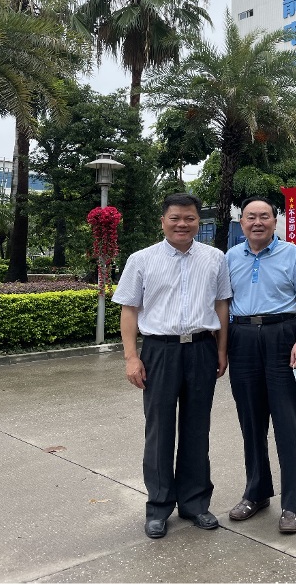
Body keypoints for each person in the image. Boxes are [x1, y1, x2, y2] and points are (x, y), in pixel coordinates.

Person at [112, 193, 231, 540]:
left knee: (197, 428)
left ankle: (195, 503)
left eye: (189, 218)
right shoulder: (141, 260)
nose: (182, 224)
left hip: (201, 348)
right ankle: (159, 506)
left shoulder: (215, 258)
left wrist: (221, 350)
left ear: (198, 221)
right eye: (175, 218)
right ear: (163, 221)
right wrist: (131, 357)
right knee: (159, 430)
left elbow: (221, 305)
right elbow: (129, 310)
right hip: (159, 351)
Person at [226, 196, 296, 534]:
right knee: (251, 422)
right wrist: (222, 349)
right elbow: (223, 302)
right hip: (242, 338)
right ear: (242, 221)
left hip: (284, 337)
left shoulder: (291, 253)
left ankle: (293, 504)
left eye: (264, 216)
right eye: (251, 216)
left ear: (274, 221)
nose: (257, 222)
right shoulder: (230, 257)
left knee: (288, 424)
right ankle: (256, 492)